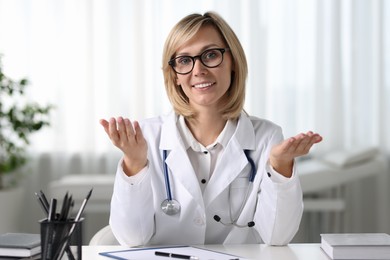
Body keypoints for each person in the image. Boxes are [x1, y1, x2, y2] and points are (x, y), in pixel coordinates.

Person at [100, 11, 322, 247]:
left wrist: (280, 168)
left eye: (211, 55)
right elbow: (130, 239)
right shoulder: (146, 137)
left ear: (233, 62)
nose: (198, 70)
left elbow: (278, 238)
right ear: (174, 75)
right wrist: (134, 164)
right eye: (185, 60)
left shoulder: (267, 138)